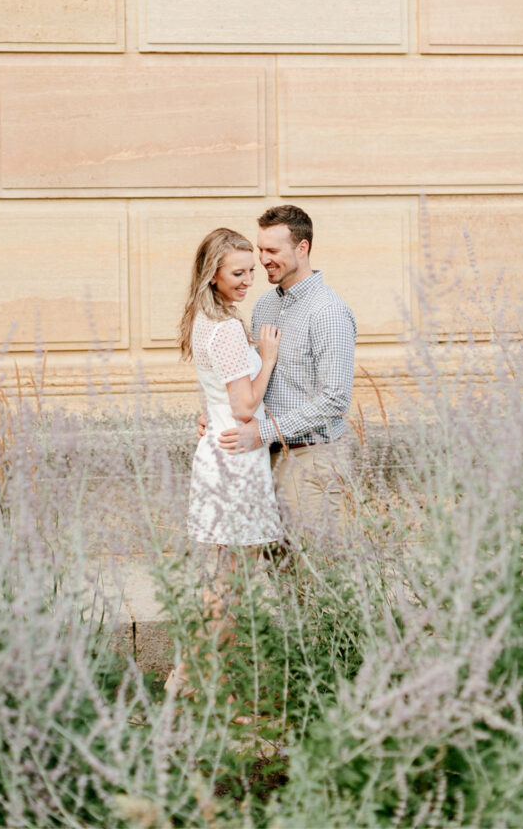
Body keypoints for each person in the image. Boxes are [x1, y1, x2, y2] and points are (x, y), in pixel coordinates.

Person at [165, 227, 283, 699]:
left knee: (223, 579)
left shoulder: (202, 320)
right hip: (237, 457)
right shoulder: (230, 329)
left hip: (218, 450)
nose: (248, 280)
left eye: (251, 270)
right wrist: (268, 357)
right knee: (232, 585)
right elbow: (244, 408)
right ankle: (206, 683)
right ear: (212, 274)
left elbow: (215, 398)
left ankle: (197, 680)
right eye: (237, 273)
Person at [217, 205, 357, 544]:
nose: (263, 259)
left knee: (316, 578)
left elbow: (334, 399)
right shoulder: (265, 305)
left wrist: (263, 432)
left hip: (311, 461)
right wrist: (218, 415)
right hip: (264, 458)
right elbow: (249, 379)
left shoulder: (328, 311)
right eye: (260, 249)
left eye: (272, 250)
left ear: (302, 248)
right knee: (279, 577)